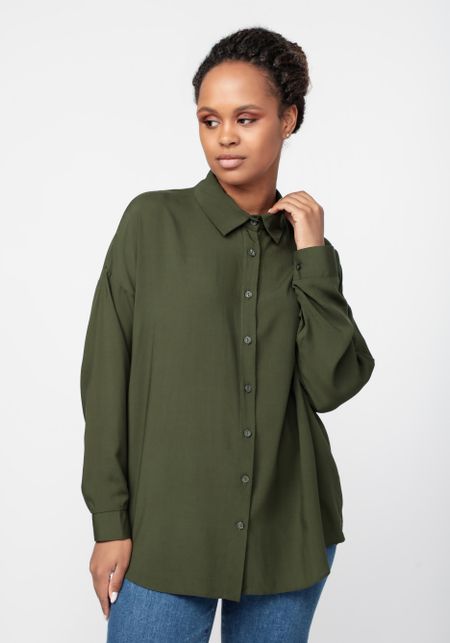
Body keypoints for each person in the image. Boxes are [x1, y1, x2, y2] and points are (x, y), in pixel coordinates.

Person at [80, 26, 375, 643]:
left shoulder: (309, 254)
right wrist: (110, 521)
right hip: (167, 531)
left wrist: (313, 255)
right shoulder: (150, 223)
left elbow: (331, 384)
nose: (225, 137)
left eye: (246, 118)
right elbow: (105, 379)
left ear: (288, 119)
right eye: (210, 120)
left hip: (287, 531)